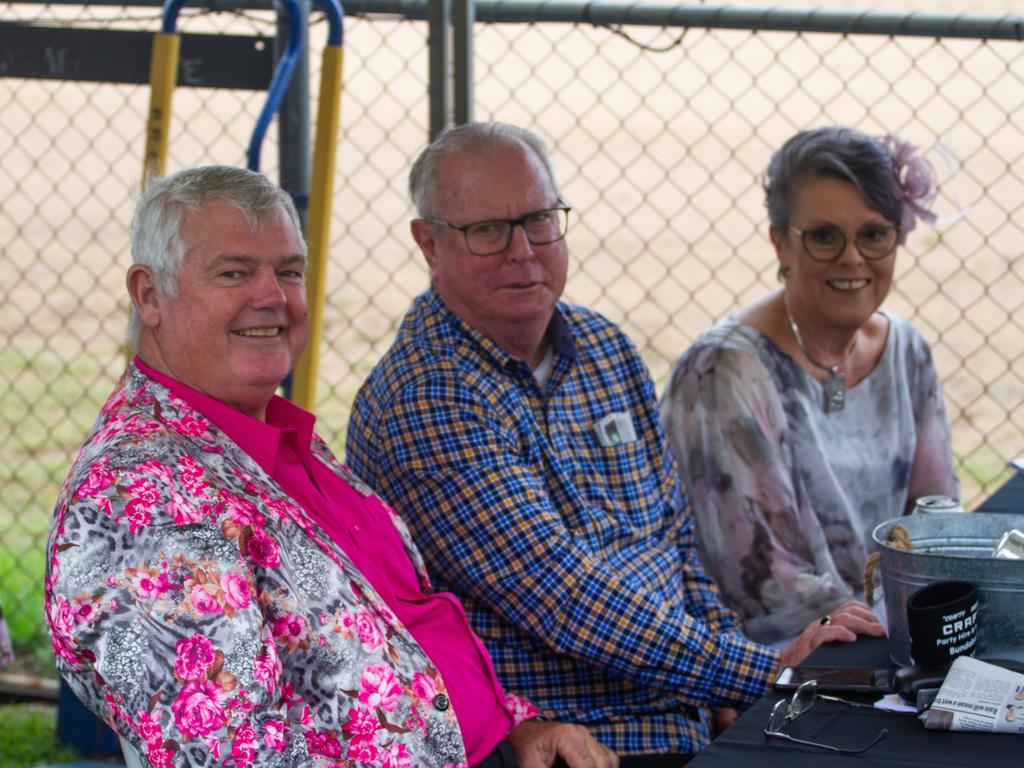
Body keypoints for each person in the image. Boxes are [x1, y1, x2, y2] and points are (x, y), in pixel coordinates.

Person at [44, 165, 616, 768]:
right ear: (150, 295)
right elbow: (234, 756)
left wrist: (519, 728)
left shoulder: (270, 440)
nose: (273, 297)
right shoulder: (141, 495)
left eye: (288, 271)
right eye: (234, 272)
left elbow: (400, 639)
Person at [345, 122, 882, 764]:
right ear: (429, 244)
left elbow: (678, 541)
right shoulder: (425, 397)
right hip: (572, 738)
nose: (523, 251)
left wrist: (728, 687)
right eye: (487, 230)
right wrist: (764, 672)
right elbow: (563, 597)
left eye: (540, 219)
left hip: (685, 710)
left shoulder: (604, 348)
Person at [658, 126, 959, 645]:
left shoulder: (904, 352)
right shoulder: (723, 373)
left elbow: (936, 525)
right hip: (781, 657)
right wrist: (898, 626)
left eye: (874, 233)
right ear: (780, 242)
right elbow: (763, 586)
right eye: (824, 236)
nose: (851, 257)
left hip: (888, 635)